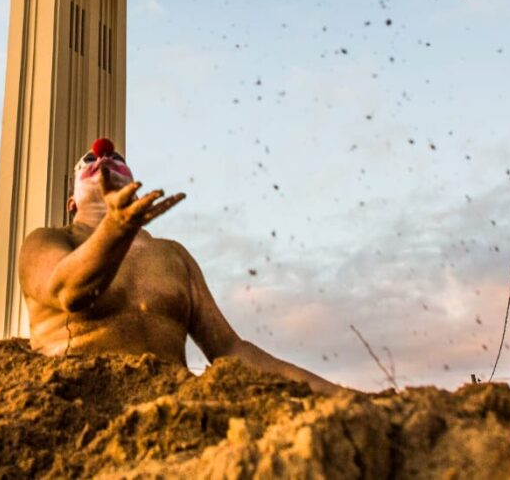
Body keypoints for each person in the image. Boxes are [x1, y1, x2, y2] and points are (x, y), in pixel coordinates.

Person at [18, 137, 340, 394]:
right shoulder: (45, 242)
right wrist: (115, 228)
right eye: (88, 161)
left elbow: (230, 349)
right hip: (78, 409)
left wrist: (337, 393)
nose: (104, 157)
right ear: (71, 202)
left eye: (118, 159)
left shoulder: (173, 256)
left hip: (173, 420)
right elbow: (68, 290)